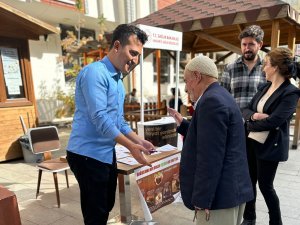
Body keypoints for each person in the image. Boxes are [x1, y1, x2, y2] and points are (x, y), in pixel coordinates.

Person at [66, 24, 155, 225]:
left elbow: (118, 122)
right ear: (117, 46)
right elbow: (100, 118)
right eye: (133, 53)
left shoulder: (117, 80)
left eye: (139, 55)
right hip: (87, 155)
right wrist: (131, 146)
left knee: (105, 205)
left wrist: (140, 140)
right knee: (96, 213)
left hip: (105, 153)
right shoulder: (95, 73)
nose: (136, 60)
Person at [169, 55, 253, 225]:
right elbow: (217, 138)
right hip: (230, 191)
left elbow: (210, 158)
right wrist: (184, 124)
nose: (186, 88)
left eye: (186, 81)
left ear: (197, 76)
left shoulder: (211, 102)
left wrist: (202, 199)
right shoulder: (221, 95)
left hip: (218, 198)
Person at [240, 47, 300, 225]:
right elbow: (245, 109)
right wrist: (253, 116)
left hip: (269, 145)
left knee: (266, 187)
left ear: (274, 67)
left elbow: (274, 121)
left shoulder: (290, 92)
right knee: (249, 182)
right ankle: (249, 217)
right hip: (251, 141)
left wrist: (249, 123)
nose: (263, 68)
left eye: (265, 64)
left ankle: (276, 222)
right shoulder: (264, 87)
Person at [221, 25, 266, 110]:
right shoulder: (230, 68)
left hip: (259, 121)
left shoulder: (267, 67)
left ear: (260, 45)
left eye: (251, 44)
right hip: (235, 120)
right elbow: (223, 96)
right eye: (244, 44)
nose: (247, 48)